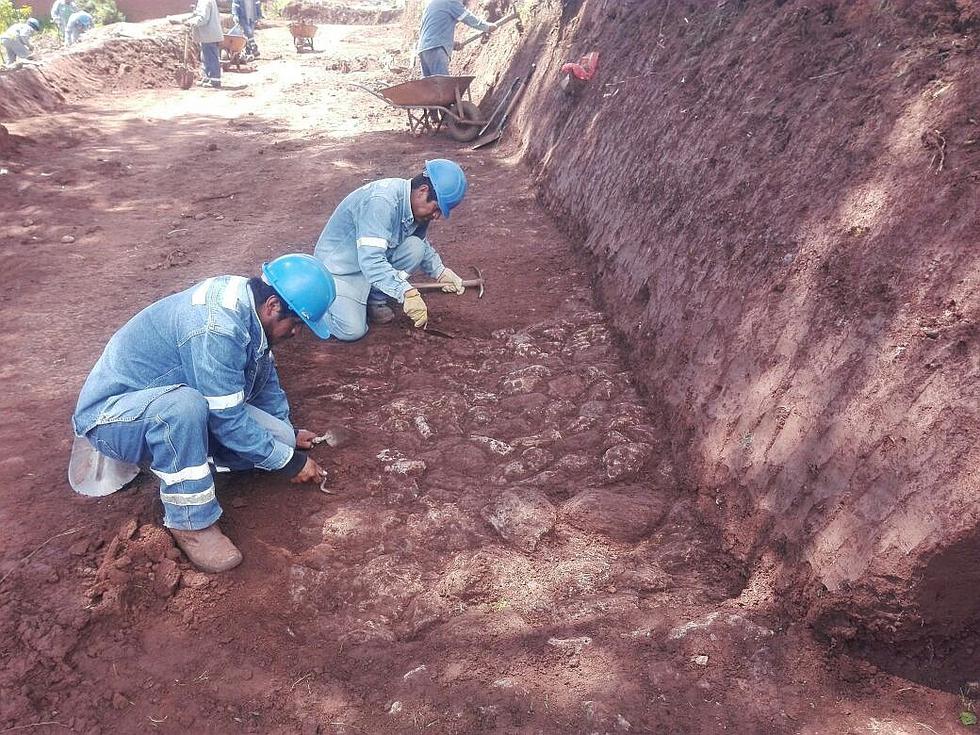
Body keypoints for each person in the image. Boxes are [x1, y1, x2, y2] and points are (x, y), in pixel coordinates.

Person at [70, 254, 337, 573]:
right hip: (112, 414)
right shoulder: (216, 326)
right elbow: (226, 419)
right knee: (184, 407)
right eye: (295, 324)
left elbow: (266, 380)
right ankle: (190, 523)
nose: (296, 333)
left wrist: (287, 437)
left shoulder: (250, 306)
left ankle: (181, 449)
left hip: (161, 398)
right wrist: (288, 462)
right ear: (273, 306)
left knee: (275, 438)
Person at [312, 159, 469, 341]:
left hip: (367, 264)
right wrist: (405, 292)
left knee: (415, 247)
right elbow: (371, 262)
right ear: (423, 191)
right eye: (437, 208)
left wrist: (440, 272)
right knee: (352, 330)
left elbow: (420, 242)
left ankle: (374, 299)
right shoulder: (381, 202)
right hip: (340, 273)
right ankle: (316, 303)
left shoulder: (412, 206)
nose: (437, 216)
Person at [416, 0, 497, 77]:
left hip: (423, 50)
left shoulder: (433, 4)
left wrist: (451, 44)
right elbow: (467, 17)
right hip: (436, 48)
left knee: (430, 87)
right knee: (443, 85)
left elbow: (432, 28)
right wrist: (487, 27)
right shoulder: (451, 2)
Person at [184, 0, 222, 88]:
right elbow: (198, 14)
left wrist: (192, 22)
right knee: (205, 57)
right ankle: (206, 77)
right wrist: (188, 19)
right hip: (207, 35)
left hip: (209, 35)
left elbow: (203, 18)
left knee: (211, 57)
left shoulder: (205, 1)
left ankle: (215, 80)